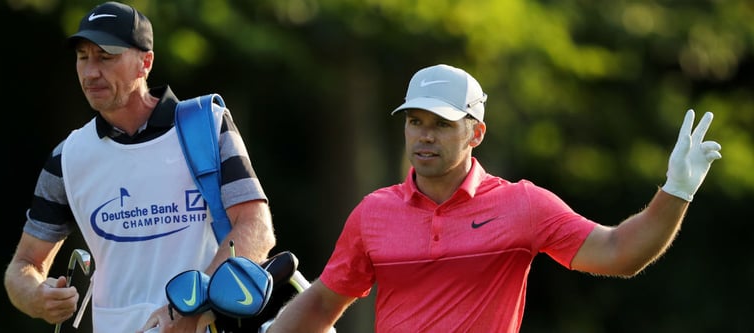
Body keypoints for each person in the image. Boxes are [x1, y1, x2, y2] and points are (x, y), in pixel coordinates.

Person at [266, 64, 722, 333]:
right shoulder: (374, 213)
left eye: (442, 124)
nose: (424, 137)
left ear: (476, 133)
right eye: (415, 122)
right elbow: (326, 301)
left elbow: (620, 252)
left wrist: (676, 191)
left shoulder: (523, 205)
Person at [3, 2, 276, 333]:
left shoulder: (207, 125)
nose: (90, 72)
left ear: (145, 62)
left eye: (105, 57)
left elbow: (256, 229)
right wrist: (35, 295)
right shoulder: (68, 156)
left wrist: (190, 306)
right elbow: (24, 265)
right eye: (82, 57)